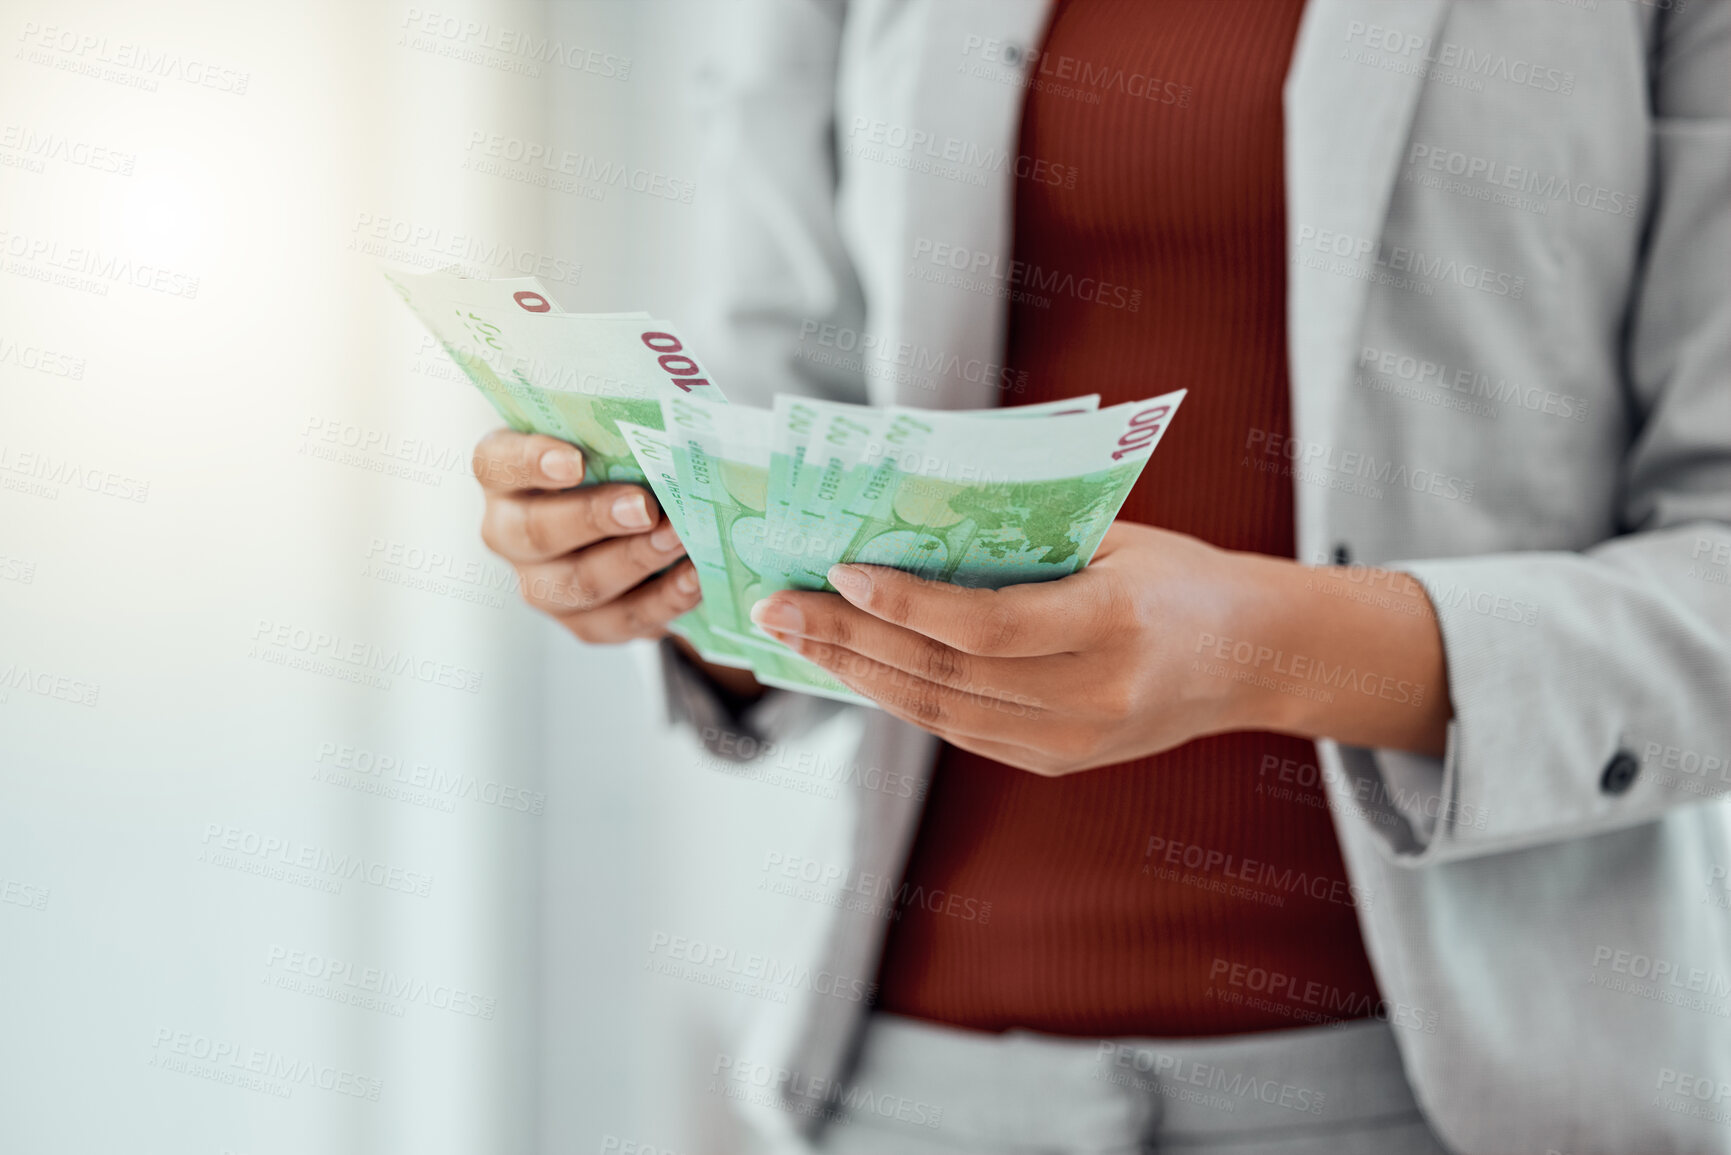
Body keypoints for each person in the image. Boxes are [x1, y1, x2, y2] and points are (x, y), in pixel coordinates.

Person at [471, 1, 1731, 1151]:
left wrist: (1268, 643)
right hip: (911, 1094)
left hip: (1441, 1100)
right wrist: (662, 560)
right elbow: (800, 420)